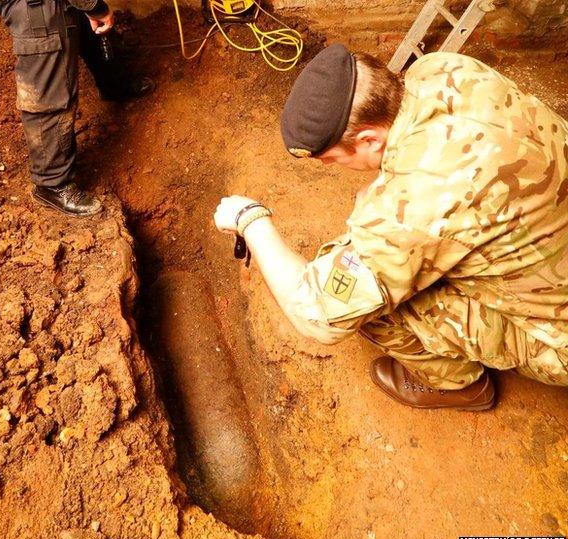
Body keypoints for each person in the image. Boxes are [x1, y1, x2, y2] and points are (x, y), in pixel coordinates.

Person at [214, 44, 568, 410]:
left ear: (369, 139)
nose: (332, 168)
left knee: (370, 309)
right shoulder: (443, 69)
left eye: (331, 160)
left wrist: (251, 220)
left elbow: (317, 314)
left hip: (558, 339)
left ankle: (459, 387)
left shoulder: (416, 207)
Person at [0, 0, 153, 217]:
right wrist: (95, 7)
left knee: (83, 24)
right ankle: (51, 183)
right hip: (34, 6)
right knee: (49, 91)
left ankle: (114, 84)